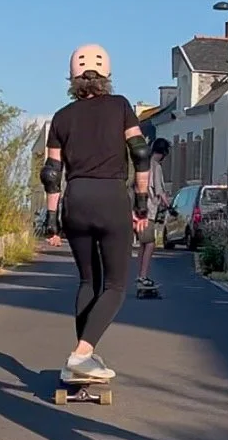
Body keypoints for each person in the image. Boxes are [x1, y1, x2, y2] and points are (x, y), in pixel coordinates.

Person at [42, 44, 149, 382]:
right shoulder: (120, 107)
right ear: (107, 76)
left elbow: (51, 172)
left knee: (89, 280)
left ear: (72, 78)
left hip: (76, 200)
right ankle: (82, 353)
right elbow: (141, 155)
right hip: (111, 199)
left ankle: (81, 360)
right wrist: (142, 203)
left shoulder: (61, 117)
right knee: (116, 285)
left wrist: (51, 219)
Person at [136, 136, 171, 291]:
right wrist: (170, 206)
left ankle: (141, 275)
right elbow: (159, 191)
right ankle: (142, 276)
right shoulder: (155, 166)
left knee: (144, 244)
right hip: (148, 211)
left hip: (140, 209)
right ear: (163, 153)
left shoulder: (144, 164)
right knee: (150, 243)